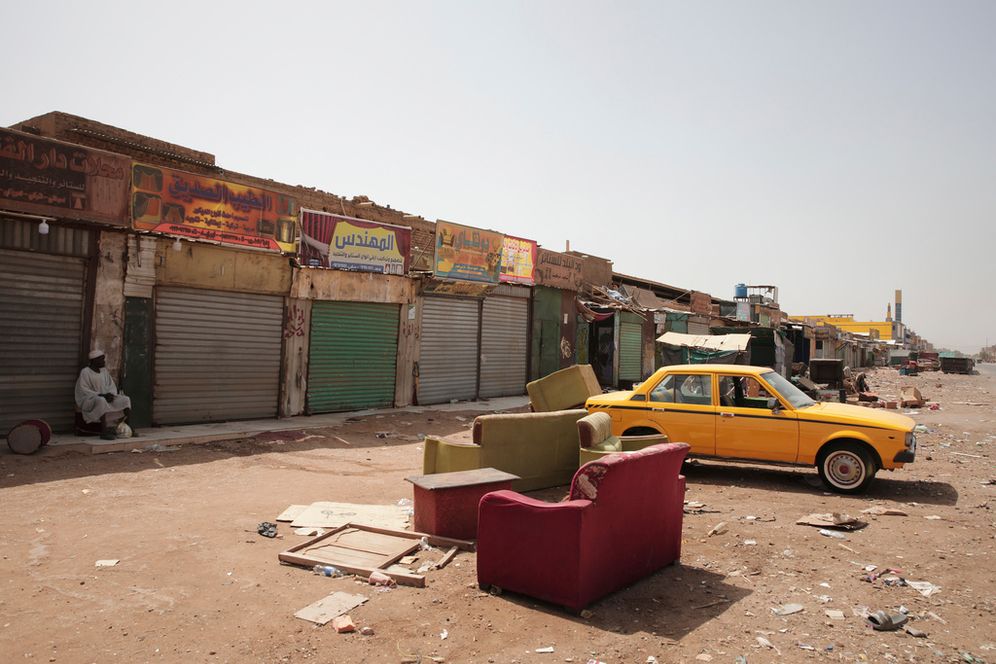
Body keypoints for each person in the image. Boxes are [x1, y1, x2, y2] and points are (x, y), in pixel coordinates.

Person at [75, 350, 133, 440]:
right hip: (90, 400)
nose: (104, 362)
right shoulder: (85, 372)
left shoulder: (104, 371)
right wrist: (101, 395)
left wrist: (110, 394)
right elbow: (84, 389)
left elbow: (111, 385)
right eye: (101, 360)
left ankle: (129, 428)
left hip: (105, 397)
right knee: (101, 400)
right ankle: (104, 432)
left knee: (125, 399)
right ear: (94, 360)